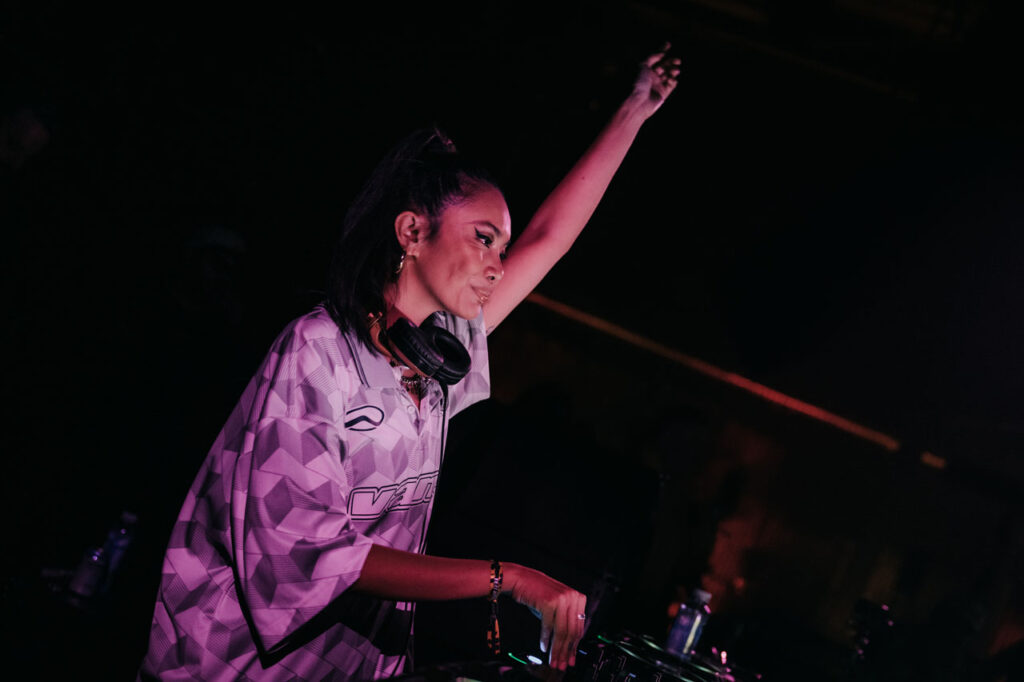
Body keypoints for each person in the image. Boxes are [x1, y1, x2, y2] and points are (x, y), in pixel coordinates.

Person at [138, 44, 680, 681]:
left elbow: (548, 238)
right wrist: (508, 578)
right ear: (412, 232)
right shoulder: (317, 351)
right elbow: (316, 552)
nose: (497, 266)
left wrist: (634, 112)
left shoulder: (439, 355)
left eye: (501, 248)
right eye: (483, 239)